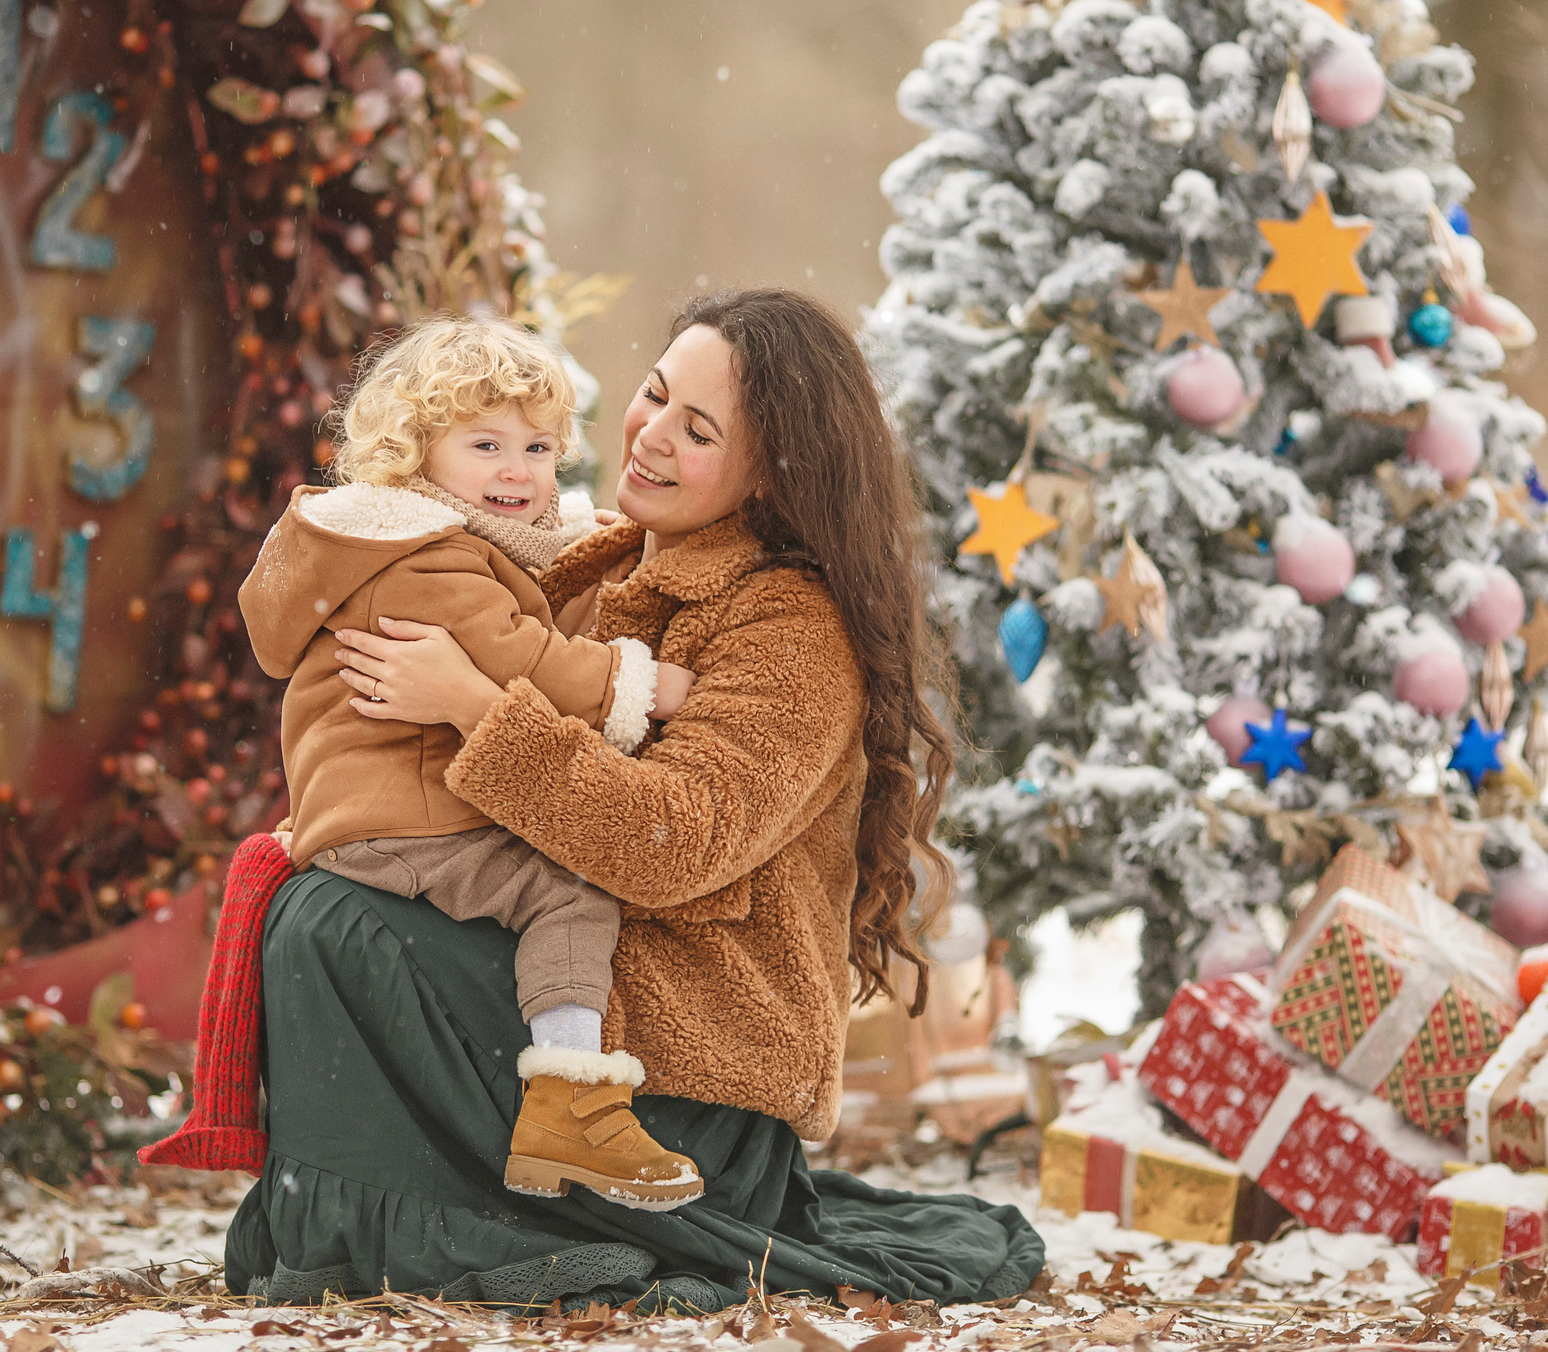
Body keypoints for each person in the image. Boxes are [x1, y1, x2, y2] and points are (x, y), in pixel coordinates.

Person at [221, 288, 1045, 1310]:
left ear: (772, 472)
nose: (651, 434)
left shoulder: (790, 627)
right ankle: (378, 1221)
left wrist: (471, 703)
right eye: (654, 395)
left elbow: (671, 840)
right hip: (585, 993)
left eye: (698, 431)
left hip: (685, 1076)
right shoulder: (594, 560)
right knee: (321, 904)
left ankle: (452, 1222)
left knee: (347, 926)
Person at [239, 318, 704, 1208]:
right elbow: (521, 652)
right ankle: (572, 1101)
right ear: (415, 452)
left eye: (537, 448)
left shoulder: (391, 534)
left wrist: (585, 536)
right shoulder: (425, 558)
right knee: (571, 889)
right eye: (486, 445)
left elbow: (525, 574)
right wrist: (639, 681)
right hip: (408, 816)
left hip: (368, 808)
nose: (517, 471)